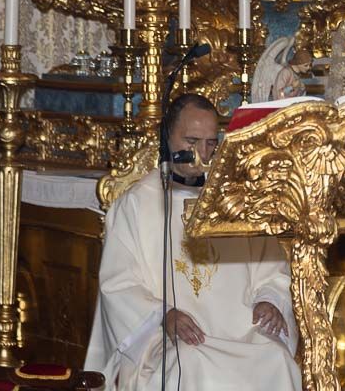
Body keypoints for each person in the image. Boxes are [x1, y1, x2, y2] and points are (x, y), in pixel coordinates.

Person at [85, 94, 301, 391]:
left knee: (277, 359)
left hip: (240, 331)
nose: (202, 153)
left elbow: (272, 266)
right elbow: (118, 284)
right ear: (166, 138)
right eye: (191, 141)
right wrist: (163, 315)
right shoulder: (136, 205)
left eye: (211, 143)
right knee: (190, 364)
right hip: (169, 337)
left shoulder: (237, 200)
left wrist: (270, 299)